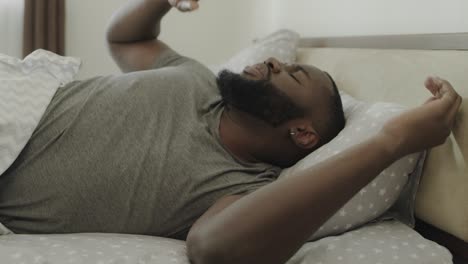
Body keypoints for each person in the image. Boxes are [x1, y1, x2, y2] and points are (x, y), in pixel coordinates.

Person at [0, 1, 462, 263]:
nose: (277, 61)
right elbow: (125, 40)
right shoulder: (195, 78)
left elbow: (212, 251)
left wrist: (392, 143)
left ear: (303, 134)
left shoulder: (240, 189)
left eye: (294, 75)